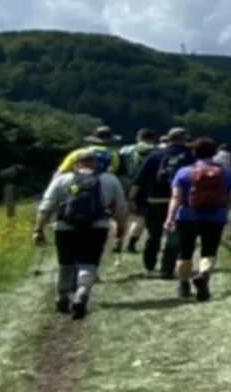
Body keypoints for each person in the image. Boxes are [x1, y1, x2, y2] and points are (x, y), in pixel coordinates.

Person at [33, 150, 130, 320]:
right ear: (96, 163)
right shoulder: (110, 180)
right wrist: (121, 231)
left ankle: (62, 297)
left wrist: (38, 230)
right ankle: (82, 294)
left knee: (65, 262)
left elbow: (46, 206)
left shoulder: (62, 180)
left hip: (65, 227)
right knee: (89, 263)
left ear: (76, 164)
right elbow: (121, 209)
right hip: (97, 227)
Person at [165, 137, 231, 301]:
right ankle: (204, 275)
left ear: (194, 152)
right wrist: (224, 211)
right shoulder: (225, 173)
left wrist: (170, 218)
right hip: (215, 218)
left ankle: (184, 285)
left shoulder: (183, 172)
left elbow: (176, 197)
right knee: (209, 251)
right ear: (214, 153)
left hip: (187, 217)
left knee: (185, 253)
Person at [130, 128, 195, 276]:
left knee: (154, 235)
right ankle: (167, 268)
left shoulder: (154, 156)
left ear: (168, 139)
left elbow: (138, 180)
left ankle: (149, 266)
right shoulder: (189, 157)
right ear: (184, 139)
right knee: (174, 236)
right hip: (180, 201)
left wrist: (131, 198)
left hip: (154, 200)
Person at [113, 128, 161, 254]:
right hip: (147, 187)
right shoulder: (157, 151)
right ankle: (131, 244)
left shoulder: (125, 150)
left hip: (126, 183)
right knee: (140, 217)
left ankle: (118, 241)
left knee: (123, 215)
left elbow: (119, 169)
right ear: (153, 138)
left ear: (138, 137)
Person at [55, 126, 122, 176]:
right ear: (111, 141)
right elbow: (111, 174)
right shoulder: (113, 155)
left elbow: (60, 173)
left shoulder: (77, 153)